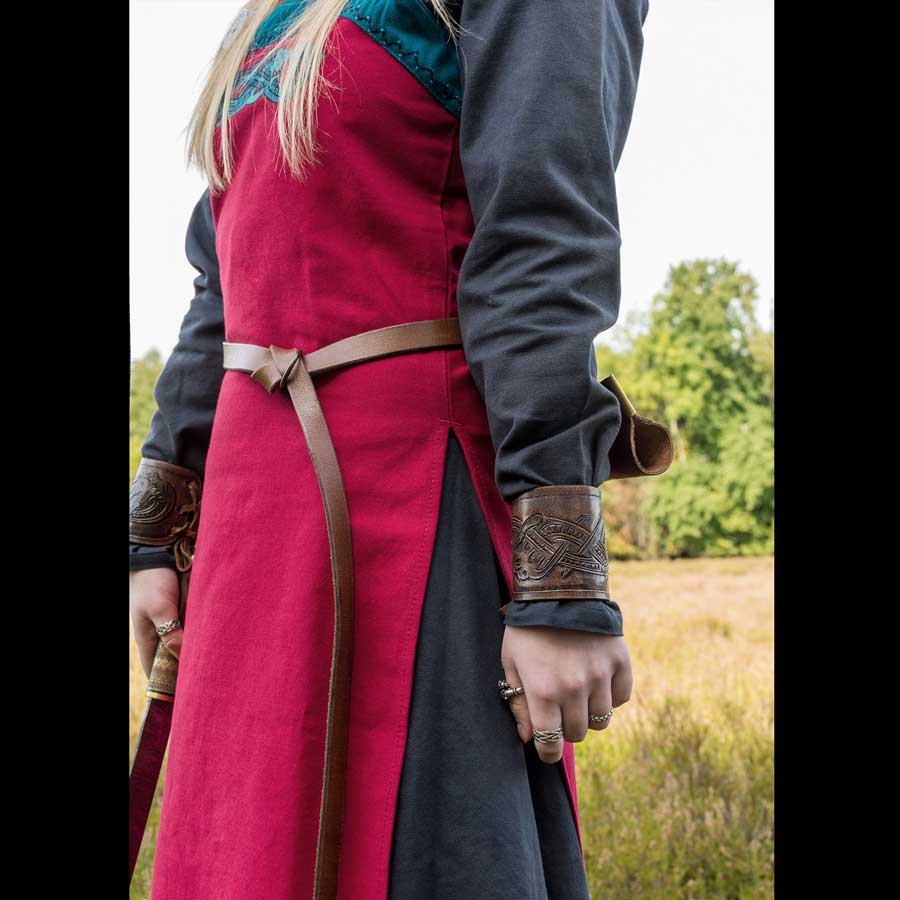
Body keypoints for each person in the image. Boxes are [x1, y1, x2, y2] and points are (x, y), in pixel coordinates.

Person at [128, 1, 651, 898]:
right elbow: (224, 286)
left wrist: (560, 584)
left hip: (405, 512)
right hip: (250, 539)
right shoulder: (277, 14)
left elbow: (541, 236)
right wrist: (155, 528)